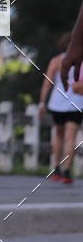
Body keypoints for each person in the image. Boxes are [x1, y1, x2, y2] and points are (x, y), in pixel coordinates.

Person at [39, 33, 83, 183]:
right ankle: (66, 170)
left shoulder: (57, 60)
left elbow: (47, 83)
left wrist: (42, 103)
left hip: (57, 102)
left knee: (58, 135)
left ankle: (56, 167)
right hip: (77, 103)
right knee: (71, 138)